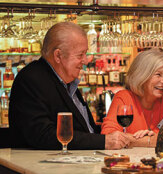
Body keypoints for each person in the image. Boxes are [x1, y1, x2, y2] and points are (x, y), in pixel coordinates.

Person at [9, 22, 130, 150]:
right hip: (44, 166)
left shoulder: (66, 81)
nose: (85, 61)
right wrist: (103, 141)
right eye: (80, 55)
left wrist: (117, 135)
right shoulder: (32, 78)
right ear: (58, 55)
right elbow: (42, 134)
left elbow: (85, 129)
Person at [101, 49, 163, 147]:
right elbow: (109, 137)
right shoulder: (124, 98)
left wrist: (142, 140)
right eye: (158, 75)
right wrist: (153, 140)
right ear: (142, 75)